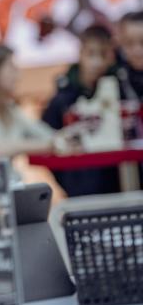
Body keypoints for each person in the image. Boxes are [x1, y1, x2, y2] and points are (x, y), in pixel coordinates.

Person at [41, 24, 120, 196]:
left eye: (103, 54)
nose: (96, 62)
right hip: (79, 188)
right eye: (91, 54)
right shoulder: (63, 97)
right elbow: (47, 137)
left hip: (118, 184)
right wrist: (70, 183)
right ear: (81, 53)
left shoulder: (121, 87)